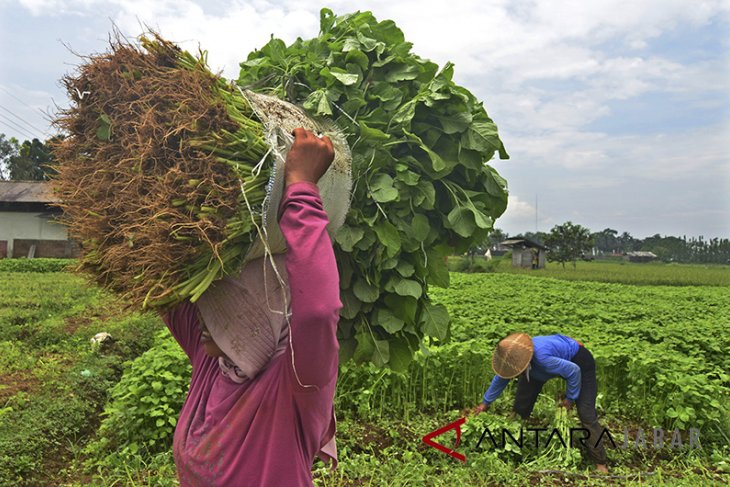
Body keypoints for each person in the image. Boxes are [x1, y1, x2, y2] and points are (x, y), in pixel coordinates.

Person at [161, 128, 342, 486]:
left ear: (267, 312)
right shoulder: (213, 363)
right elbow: (160, 280)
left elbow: (318, 312)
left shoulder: (296, 387)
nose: (204, 317)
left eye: (227, 311)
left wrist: (302, 186)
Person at [473, 333, 609, 473]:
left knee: (586, 413)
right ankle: (510, 443)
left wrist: (570, 399)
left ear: (525, 362)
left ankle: (600, 462)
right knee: (520, 406)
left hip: (579, 361)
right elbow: (501, 378)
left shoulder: (542, 358)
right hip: (537, 368)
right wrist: (485, 403)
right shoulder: (513, 360)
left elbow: (574, 371)